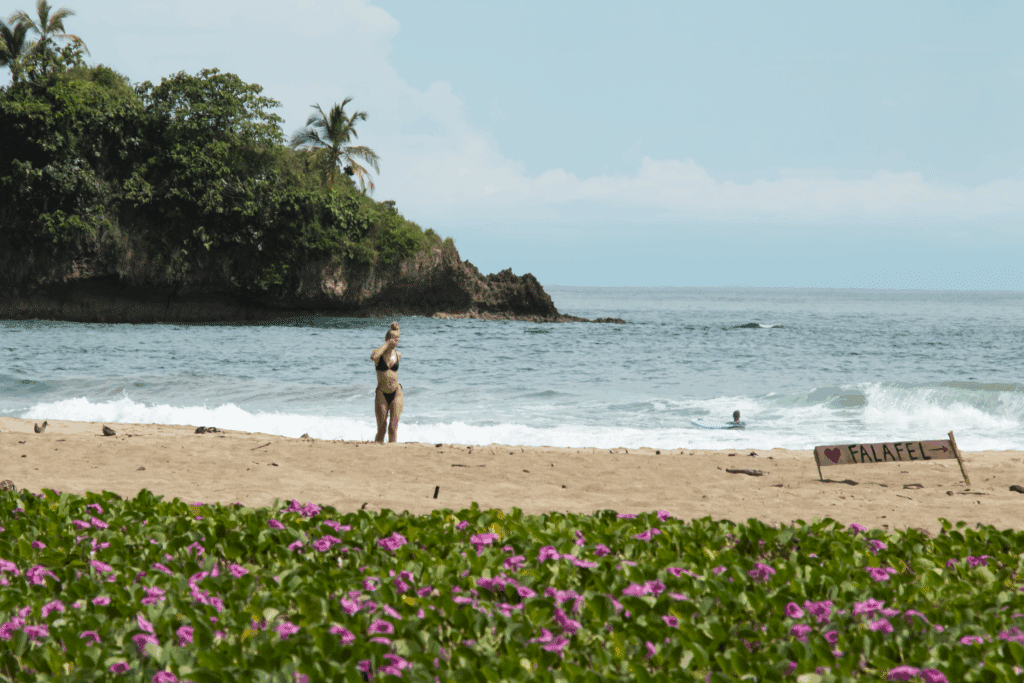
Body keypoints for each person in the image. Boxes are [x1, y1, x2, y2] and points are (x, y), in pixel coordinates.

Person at [371, 322, 403, 443]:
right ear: (386, 339)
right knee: (382, 429)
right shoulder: (377, 353)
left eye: (397, 339)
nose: (395, 342)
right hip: (382, 393)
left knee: (393, 429)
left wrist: (392, 341)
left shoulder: (398, 354)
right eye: (393, 339)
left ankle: (392, 453)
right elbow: (373, 357)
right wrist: (387, 344)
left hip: (397, 393)